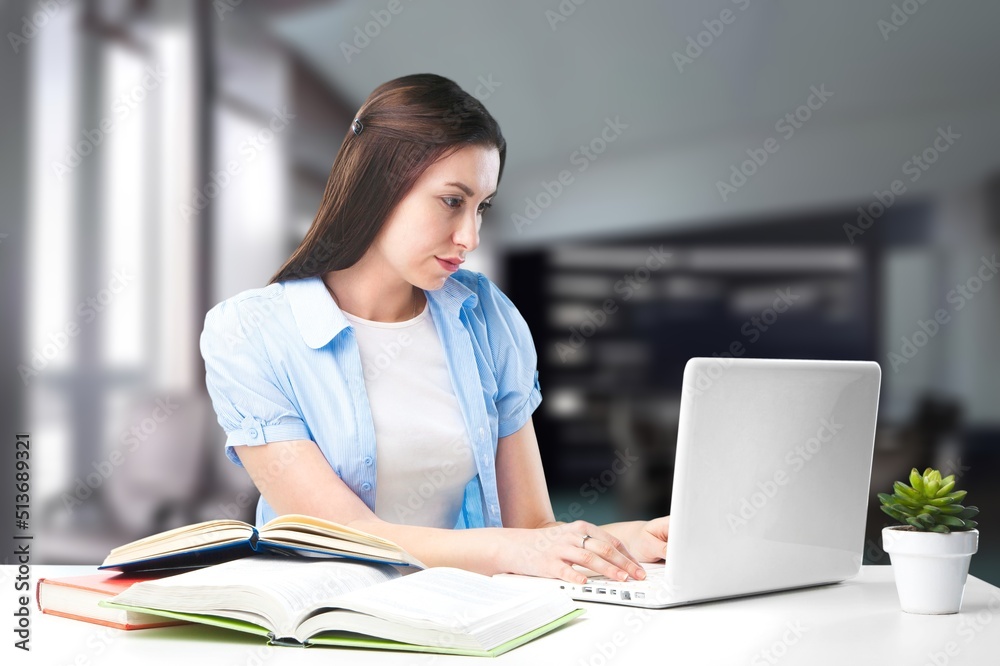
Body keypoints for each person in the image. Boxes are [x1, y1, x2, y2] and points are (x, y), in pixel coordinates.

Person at [200, 73, 669, 585]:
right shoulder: (247, 334)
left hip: (463, 615)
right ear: (378, 187)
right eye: (452, 201)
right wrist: (522, 548)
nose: (470, 235)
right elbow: (343, 534)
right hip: (326, 621)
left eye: (482, 207)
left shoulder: (486, 315)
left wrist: (629, 540)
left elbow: (531, 527)